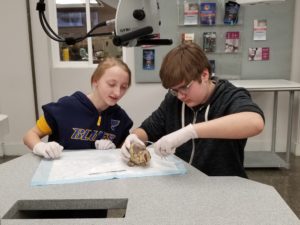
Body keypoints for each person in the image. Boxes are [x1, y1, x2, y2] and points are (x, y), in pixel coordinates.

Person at [121, 43, 265, 178]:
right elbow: (147, 129)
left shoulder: (229, 96)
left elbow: (255, 123)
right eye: (174, 90)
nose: (180, 95)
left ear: (204, 75)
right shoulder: (174, 100)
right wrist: (134, 139)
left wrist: (190, 132)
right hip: (184, 183)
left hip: (224, 186)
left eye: (185, 87)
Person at [23, 57, 133, 159]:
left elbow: (123, 148)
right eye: (111, 84)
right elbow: (30, 135)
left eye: (124, 87)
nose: (118, 92)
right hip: (63, 173)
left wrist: (114, 150)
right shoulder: (66, 107)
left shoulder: (121, 118)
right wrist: (40, 146)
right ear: (95, 81)